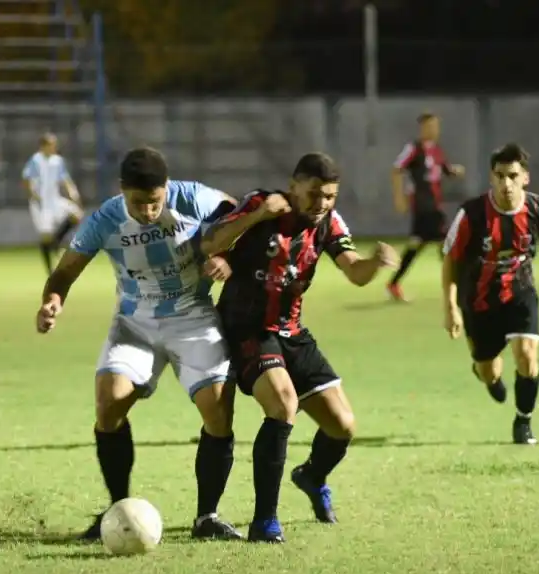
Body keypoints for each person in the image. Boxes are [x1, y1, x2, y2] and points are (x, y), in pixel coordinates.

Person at [35, 147, 243, 541]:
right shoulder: (106, 219)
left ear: (167, 187)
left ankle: (207, 517)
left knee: (218, 409)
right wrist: (52, 302)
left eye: (154, 201)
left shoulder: (195, 198)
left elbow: (242, 216)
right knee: (108, 402)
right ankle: (117, 510)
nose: (147, 211)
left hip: (193, 316)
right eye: (137, 202)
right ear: (122, 191)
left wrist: (228, 258)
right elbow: (65, 271)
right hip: (135, 322)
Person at [200, 152, 399, 543]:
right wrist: (258, 217)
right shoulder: (261, 203)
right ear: (293, 187)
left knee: (343, 426)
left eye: (330, 196)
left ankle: (312, 476)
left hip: (291, 331)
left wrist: (375, 263)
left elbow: (354, 271)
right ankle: (265, 522)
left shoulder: (329, 222)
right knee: (282, 404)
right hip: (247, 328)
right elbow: (211, 242)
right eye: (314, 193)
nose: (321, 203)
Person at [441, 143, 539, 445]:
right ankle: (488, 375)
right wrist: (450, 307)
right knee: (487, 369)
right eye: (500, 176)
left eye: (513, 176)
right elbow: (451, 260)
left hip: (520, 291)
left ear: (525, 177)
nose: (506, 183)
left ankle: (523, 422)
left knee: (526, 354)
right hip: (479, 299)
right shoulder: (472, 214)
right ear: (491, 177)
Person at [387, 112, 465, 301]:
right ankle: (458, 285)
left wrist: (455, 171)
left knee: (418, 244)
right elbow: (396, 170)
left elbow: (445, 170)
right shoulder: (414, 148)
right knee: (446, 242)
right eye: (430, 126)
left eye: (436, 126)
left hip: (434, 205)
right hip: (423, 206)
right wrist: (399, 198)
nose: (434, 130)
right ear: (422, 128)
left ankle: (394, 283)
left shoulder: (437, 150)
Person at [22, 133, 84, 274]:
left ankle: (56, 243)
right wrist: (33, 194)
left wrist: (73, 192)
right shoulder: (36, 160)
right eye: (51, 145)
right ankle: (50, 269)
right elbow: (26, 178)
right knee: (46, 236)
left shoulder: (58, 161)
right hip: (41, 203)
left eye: (54, 145)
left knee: (76, 215)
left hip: (55, 200)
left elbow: (65, 179)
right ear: (43, 146)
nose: (54, 148)